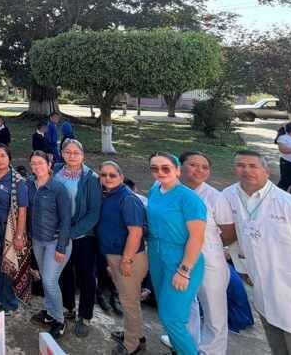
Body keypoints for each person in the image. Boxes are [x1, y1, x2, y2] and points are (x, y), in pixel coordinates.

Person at [223, 150, 291, 354]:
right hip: (261, 284)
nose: (246, 170)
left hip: (290, 284)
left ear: (267, 171)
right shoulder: (227, 196)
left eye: (253, 166)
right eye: (240, 165)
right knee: (276, 343)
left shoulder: (288, 204)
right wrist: (243, 268)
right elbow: (230, 235)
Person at [146, 152, 206, 355]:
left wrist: (184, 271)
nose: (160, 172)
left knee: (172, 318)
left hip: (181, 259)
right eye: (155, 168)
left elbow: (196, 238)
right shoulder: (155, 190)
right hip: (157, 256)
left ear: (178, 170)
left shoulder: (189, 199)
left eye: (166, 168)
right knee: (165, 312)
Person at [179, 151, 235, 355]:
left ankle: (211, 351)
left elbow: (229, 233)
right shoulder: (168, 189)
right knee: (185, 306)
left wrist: (207, 246)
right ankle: (187, 345)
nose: (199, 170)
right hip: (179, 259)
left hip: (210, 262)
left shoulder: (214, 197)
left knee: (214, 312)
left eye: (204, 167)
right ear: (180, 166)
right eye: (193, 165)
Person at [51, 138, 102, 337]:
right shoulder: (55, 171)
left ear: (83, 155)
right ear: (62, 154)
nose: (72, 156)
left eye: (76, 153)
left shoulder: (91, 178)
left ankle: (85, 315)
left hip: (83, 235)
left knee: (86, 275)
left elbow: (93, 212)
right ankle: (68, 307)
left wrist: (70, 233)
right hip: (59, 234)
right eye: (68, 152)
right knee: (64, 272)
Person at [96, 161, 148, 355]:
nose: (107, 178)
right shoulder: (109, 194)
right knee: (130, 300)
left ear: (121, 175)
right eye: (104, 175)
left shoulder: (128, 199)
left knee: (129, 301)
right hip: (115, 256)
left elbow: (135, 233)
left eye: (112, 175)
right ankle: (135, 334)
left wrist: (126, 260)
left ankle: (131, 344)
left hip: (128, 258)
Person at [27, 150, 72, 339]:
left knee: (49, 280)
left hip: (56, 242)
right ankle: (48, 312)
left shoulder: (58, 188)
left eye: (40, 163)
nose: (37, 166)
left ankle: (60, 319)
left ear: (49, 165)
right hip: (38, 241)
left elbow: (66, 220)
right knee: (46, 280)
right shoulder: (29, 185)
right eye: (33, 163)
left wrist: (61, 247)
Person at [0, 144, 28, 316]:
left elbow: (23, 210)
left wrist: (19, 235)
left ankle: (10, 303)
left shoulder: (17, 181)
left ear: (9, 157)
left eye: (2, 156)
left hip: (9, 229)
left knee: (8, 264)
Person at [275, 122, 291, 194]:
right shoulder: (283, 138)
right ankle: (276, 198)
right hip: (287, 164)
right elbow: (283, 150)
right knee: (285, 182)